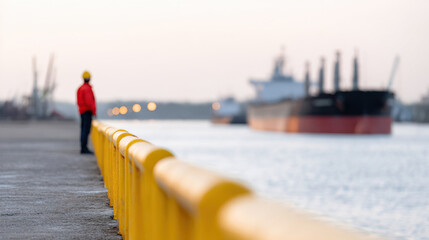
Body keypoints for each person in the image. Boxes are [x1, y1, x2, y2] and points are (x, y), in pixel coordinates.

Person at [77, 71, 96, 154]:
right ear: (89, 78)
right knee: (86, 130)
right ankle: (84, 148)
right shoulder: (87, 89)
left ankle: (83, 147)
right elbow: (90, 102)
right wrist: (94, 111)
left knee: (83, 129)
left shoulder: (80, 88)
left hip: (82, 111)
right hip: (87, 111)